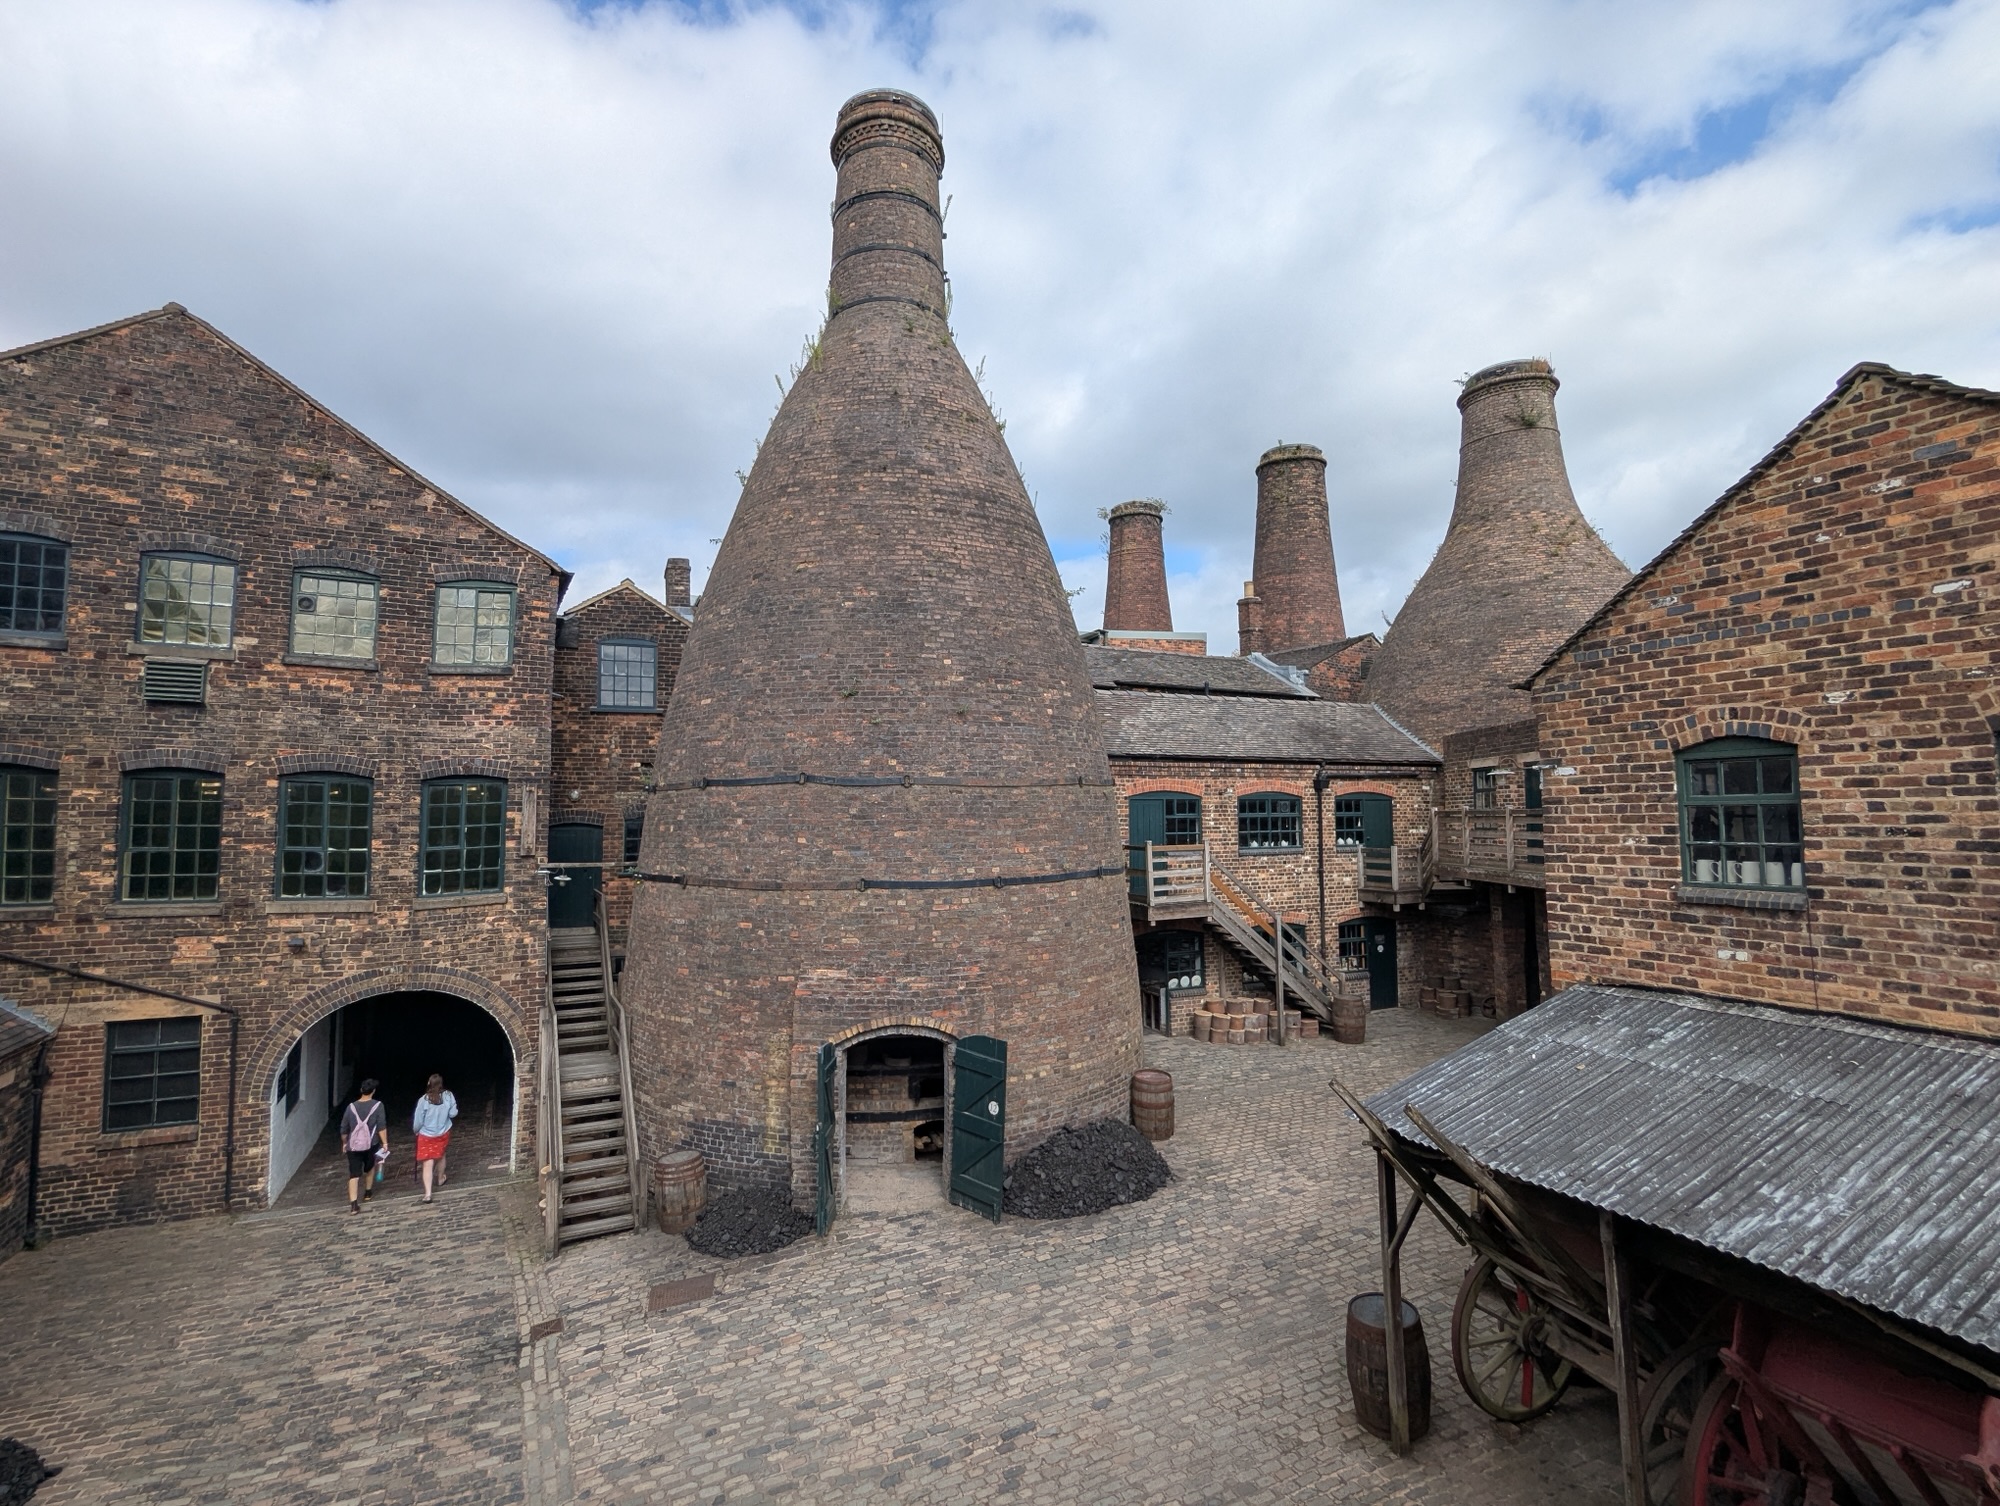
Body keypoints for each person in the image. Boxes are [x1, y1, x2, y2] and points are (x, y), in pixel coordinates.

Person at [341, 1079, 388, 1213]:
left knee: (354, 1174)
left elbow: (344, 1129)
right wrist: (384, 1143)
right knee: (370, 1167)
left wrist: (345, 1143)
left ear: (361, 1090)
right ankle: (367, 1192)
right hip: (371, 1144)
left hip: (353, 1146)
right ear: (373, 1091)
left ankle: (354, 1204)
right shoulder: (378, 1106)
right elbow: (381, 1127)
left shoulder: (351, 1107)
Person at [411, 1073, 459, 1203]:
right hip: (442, 1132)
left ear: (429, 1084)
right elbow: (453, 1113)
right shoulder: (448, 1095)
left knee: (428, 1163)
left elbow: (418, 1120)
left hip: (426, 1135)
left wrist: (416, 1131)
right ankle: (440, 1178)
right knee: (441, 1156)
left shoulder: (424, 1100)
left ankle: (428, 1194)